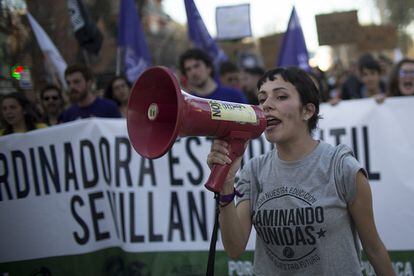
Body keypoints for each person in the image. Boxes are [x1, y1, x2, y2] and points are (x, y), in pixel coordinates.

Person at [207, 67, 394, 275]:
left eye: (281, 96)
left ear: (308, 110)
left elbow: (374, 249)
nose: (266, 105)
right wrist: (226, 185)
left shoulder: (342, 168)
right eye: (261, 99)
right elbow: (234, 248)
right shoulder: (254, 171)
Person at [179, 48, 247, 103]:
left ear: (209, 68)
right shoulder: (188, 103)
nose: (193, 72)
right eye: (188, 69)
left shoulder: (234, 96)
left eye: (197, 66)